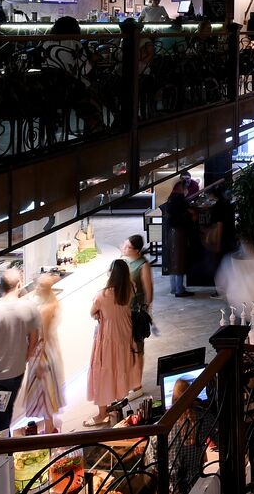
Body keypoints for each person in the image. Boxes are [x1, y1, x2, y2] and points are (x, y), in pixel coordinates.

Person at [0, 269, 39, 434]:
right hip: (14, 373)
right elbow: (34, 341)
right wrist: (22, 360)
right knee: (4, 413)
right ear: (19, 285)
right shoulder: (29, 308)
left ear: (0, 287)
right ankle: (3, 450)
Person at [86, 260, 140, 426]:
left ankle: (102, 414)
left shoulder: (102, 295)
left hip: (108, 338)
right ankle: (117, 408)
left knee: (103, 372)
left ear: (111, 274)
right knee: (119, 368)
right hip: (125, 335)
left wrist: (99, 315)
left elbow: (92, 312)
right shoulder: (130, 288)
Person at [19, 273, 65, 433]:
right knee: (47, 392)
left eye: (39, 286)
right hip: (49, 352)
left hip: (42, 354)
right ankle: (49, 426)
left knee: (44, 393)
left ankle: (49, 428)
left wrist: (39, 362)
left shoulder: (46, 309)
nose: (36, 288)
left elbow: (42, 337)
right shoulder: (52, 302)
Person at [121, 235, 154, 376]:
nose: (124, 248)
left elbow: (149, 293)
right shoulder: (122, 261)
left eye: (128, 246)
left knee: (138, 347)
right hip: (122, 311)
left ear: (137, 250)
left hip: (135, 312)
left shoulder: (143, 265)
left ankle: (137, 382)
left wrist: (145, 310)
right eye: (124, 244)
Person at [161, 183, 195, 297]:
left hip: (171, 233)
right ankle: (179, 290)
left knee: (173, 261)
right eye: (185, 188)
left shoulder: (171, 199)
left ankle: (174, 288)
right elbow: (190, 213)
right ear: (181, 189)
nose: (186, 190)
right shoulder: (180, 200)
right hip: (179, 233)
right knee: (179, 261)